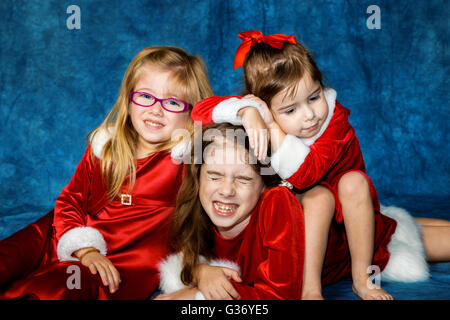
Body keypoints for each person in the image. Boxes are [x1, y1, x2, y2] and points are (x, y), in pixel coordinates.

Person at [190, 30, 450, 300]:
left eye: (314, 97)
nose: (310, 115)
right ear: (267, 106)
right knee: (376, 216)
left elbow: (305, 175)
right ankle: (310, 290)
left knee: (346, 186)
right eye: (291, 110)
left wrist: (271, 126)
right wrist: (245, 110)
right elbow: (199, 112)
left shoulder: (332, 120)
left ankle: (362, 279)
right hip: (307, 231)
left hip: (350, 219)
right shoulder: (258, 117)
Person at [0, 45, 214, 299]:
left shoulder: (187, 161)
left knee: (52, 289)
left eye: (172, 102)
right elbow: (71, 200)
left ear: (192, 111)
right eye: (145, 96)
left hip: (117, 263)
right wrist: (84, 248)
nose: (156, 109)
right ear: (129, 97)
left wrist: (246, 112)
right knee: (7, 258)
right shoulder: (105, 147)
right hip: (63, 232)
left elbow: (225, 130)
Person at [154, 123, 305, 300]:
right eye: (215, 176)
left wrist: (198, 295)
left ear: (264, 185)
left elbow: (282, 297)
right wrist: (201, 272)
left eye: (243, 179)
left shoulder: (277, 202)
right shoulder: (194, 208)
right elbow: (183, 261)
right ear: (198, 177)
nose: (226, 191)